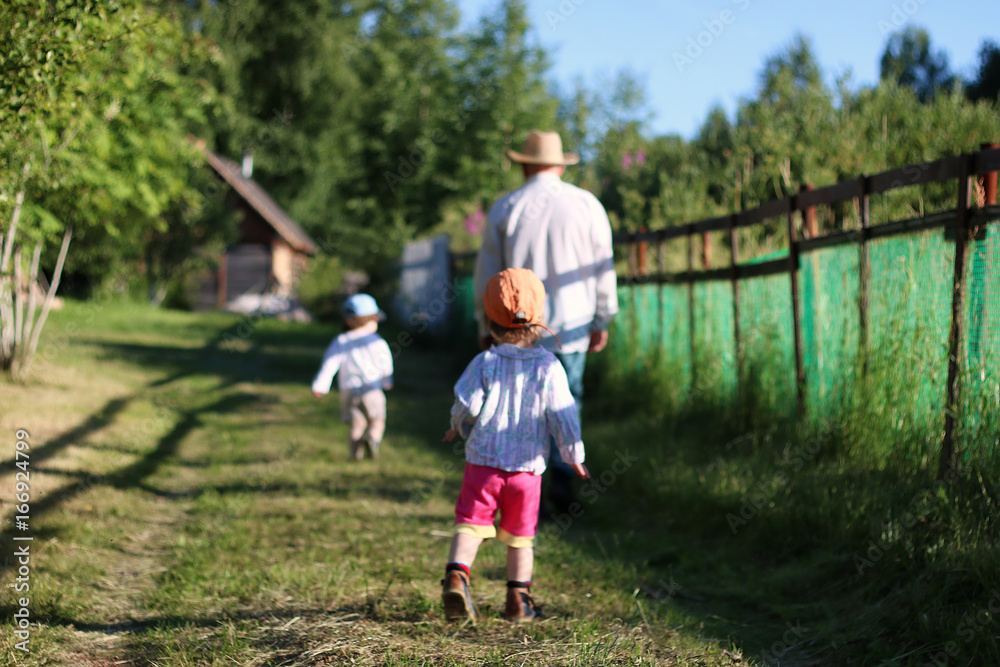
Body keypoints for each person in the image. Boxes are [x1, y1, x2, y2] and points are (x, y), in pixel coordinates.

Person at [473, 129, 618, 514]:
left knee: (520, 403)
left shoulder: (507, 207)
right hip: (571, 324)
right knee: (566, 400)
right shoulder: (587, 205)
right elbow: (603, 266)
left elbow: (488, 271)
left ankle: (521, 484)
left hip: (516, 326)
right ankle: (563, 477)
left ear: (525, 167)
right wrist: (602, 317)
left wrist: (484, 322)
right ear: (559, 164)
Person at [441, 267, 591, 623]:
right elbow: (563, 416)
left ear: (489, 321)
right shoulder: (549, 366)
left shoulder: (485, 362)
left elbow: (468, 404)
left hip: (483, 464)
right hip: (527, 471)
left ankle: (457, 576)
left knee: (470, 524)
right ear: (539, 318)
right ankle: (518, 602)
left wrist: (456, 424)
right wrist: (573, 455)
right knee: (521, 538)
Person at [312, 293, 394, 461]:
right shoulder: (377, 342)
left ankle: (354, 454)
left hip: (349, 391)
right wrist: (387, 381)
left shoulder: (341, 341)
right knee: (377, 419)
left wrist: (320, 386)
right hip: (372, 389)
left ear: (349, 320)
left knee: (356, 424)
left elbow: (330, 364)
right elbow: (386, 364)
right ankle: (373, 438)